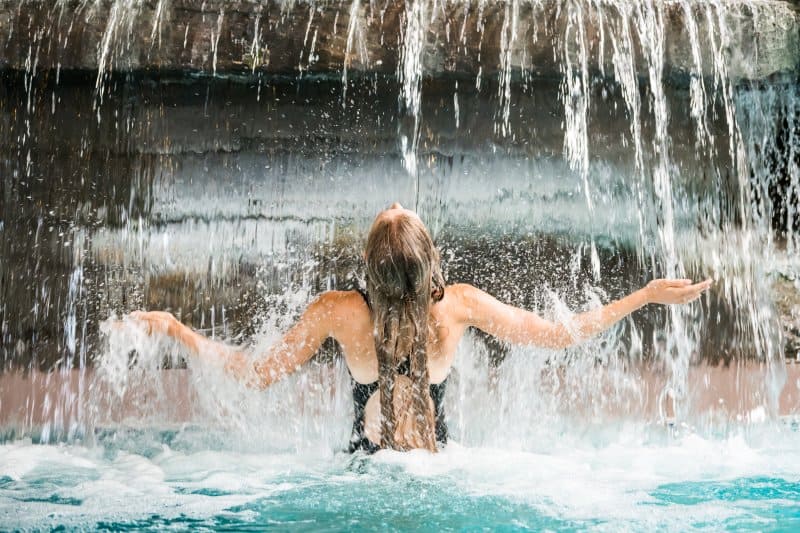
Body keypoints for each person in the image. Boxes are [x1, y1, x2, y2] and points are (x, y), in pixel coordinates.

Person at [128, 202, 712, 453]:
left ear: (369, 269)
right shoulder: (455, 306)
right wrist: (644, 296)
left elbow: (255, 375)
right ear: (431, 267)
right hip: (440, 469)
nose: (396, 201)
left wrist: (178, 330)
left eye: (394, 213)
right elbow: (559, 335)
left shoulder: (340, 311)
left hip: (363, 479)